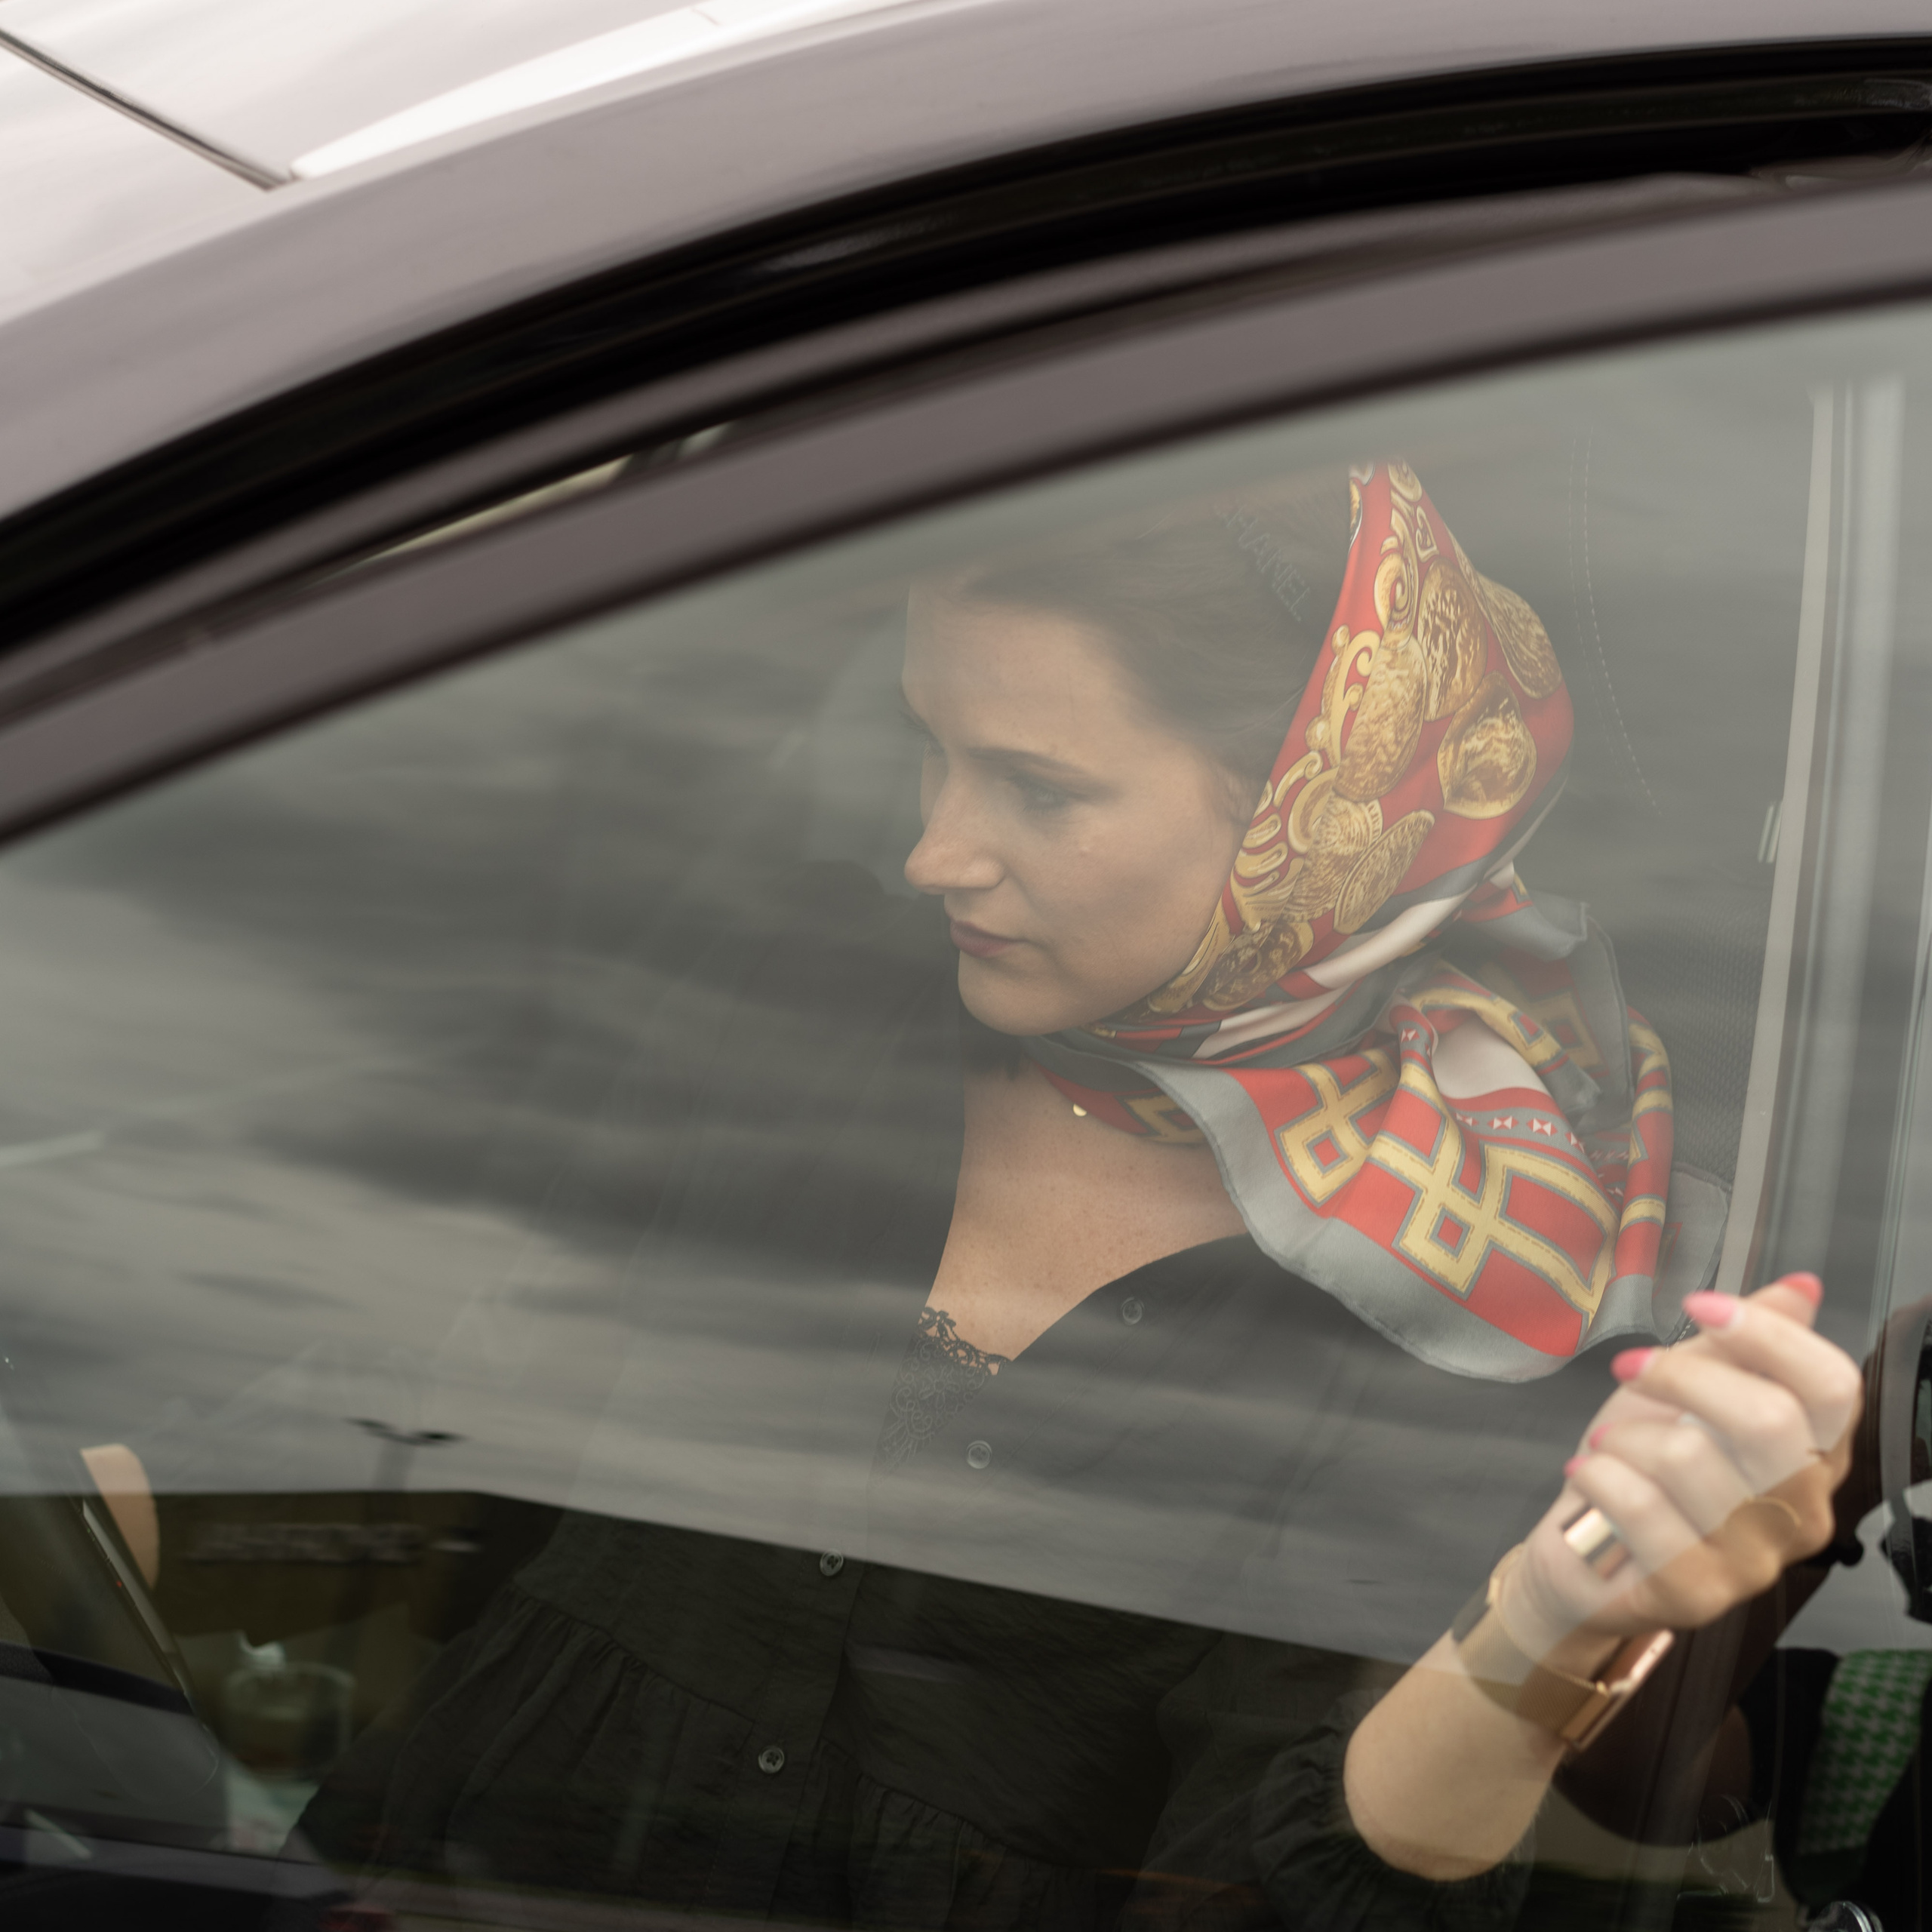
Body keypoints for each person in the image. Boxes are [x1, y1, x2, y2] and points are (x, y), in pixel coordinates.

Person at [300, 462, 1860, 1927]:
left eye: (1035, 788)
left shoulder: (1466, 1274)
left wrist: (1536, 1632)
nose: (933, 849)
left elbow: (1277, 1861)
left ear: (1301, 821)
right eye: (929, 742)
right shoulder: (788, 1013)